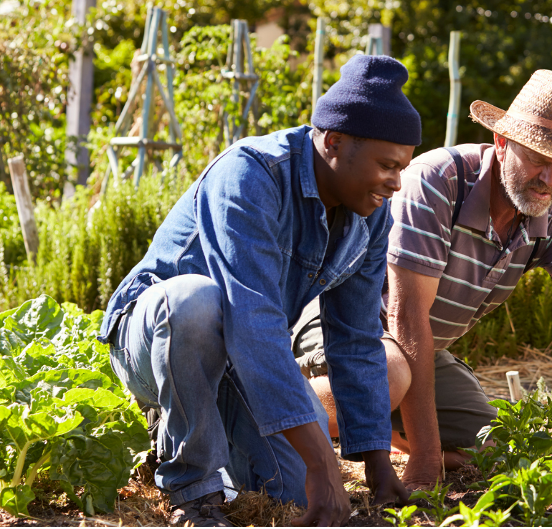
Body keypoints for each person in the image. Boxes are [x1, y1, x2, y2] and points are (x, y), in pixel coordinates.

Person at [98, 55, 419, 527]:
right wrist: (324, 462)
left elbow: (355, 339)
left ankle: (212, 437)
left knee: (291, 494)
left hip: (237, 360)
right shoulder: (253, 175)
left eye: (403, 168)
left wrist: (376, 468)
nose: (396, 183)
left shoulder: (370, 216)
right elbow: (252, 319)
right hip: (154, 341)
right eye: (386, 166)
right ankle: (194, 493)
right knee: (196, 300)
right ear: (334, 142)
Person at [293, 69, 552, 490]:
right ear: (502, 143)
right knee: (391, 375)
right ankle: (269, 421)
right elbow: (405, 315)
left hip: (420, 351)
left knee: (502, 444)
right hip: (345, 327)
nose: (551, 179)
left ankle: (380, 430)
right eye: (539, 160)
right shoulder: (439, 180)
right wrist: (426, 457)